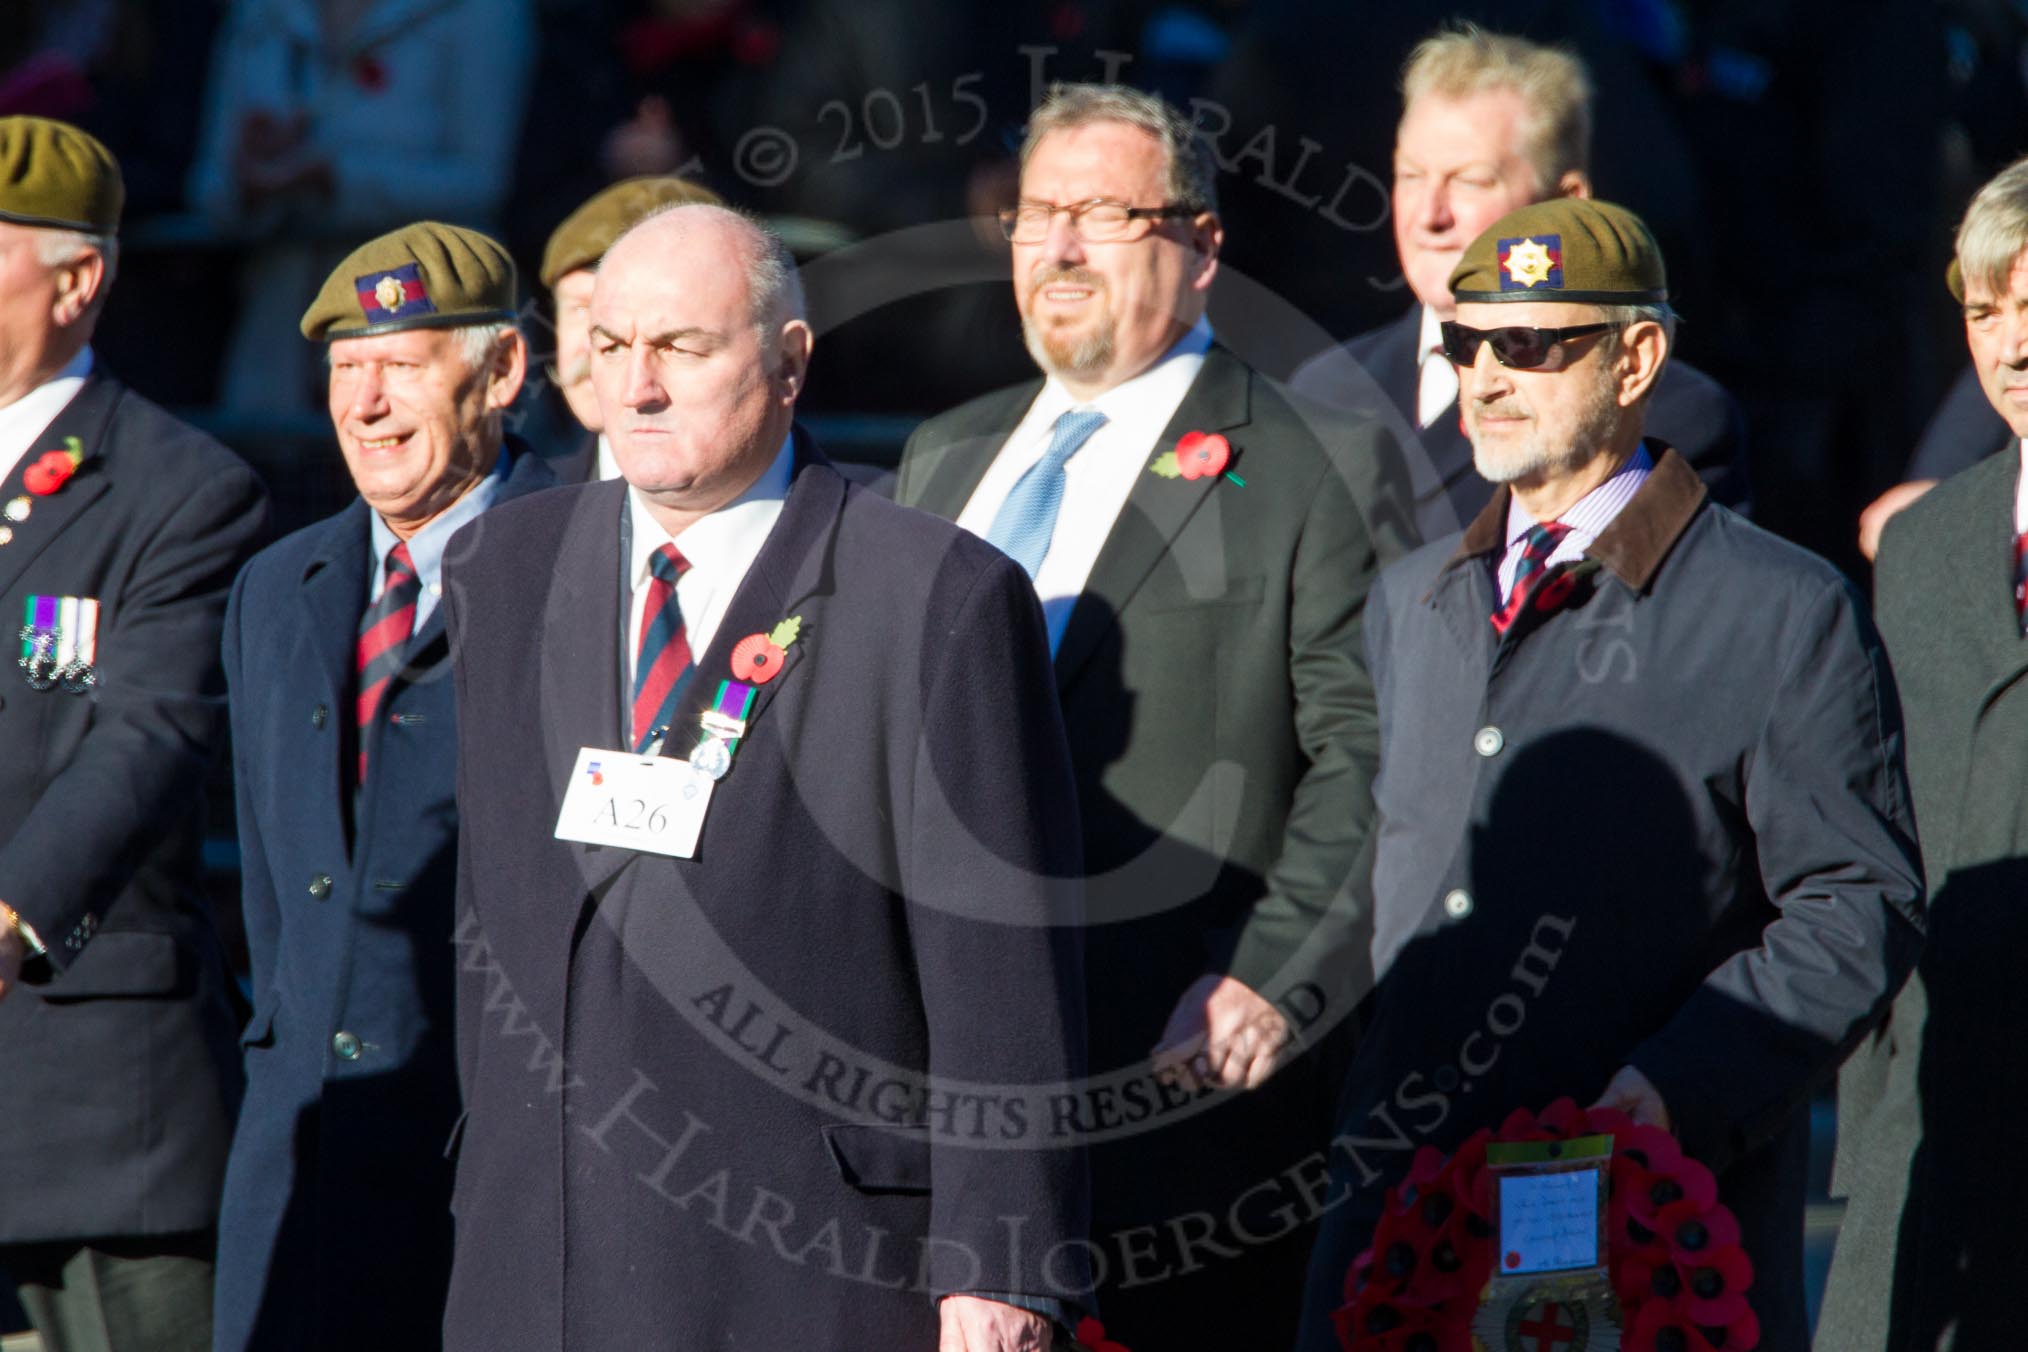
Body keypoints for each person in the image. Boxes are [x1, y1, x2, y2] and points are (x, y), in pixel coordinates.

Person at [437, 203, 1088, 1351]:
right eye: (611, 346)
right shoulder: (509, 565)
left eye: (683, 348)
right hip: (536, 1262)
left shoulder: (932, 595)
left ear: (790, 362)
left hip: (806, 1273)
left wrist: (1002, 1264)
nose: (637, 386)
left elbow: (999, 974)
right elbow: (491, 917)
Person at [1292, 197, 1924, 1352]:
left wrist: (1677, 1085)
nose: (1486, 374)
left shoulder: (1782, 607)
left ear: (1637, 357)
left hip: (1645, 1229)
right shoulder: (1412, 596)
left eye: (1530, 343)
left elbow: (1856, 900)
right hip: (1395, 1227)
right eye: (1465, 343)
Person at [895, 82, 1415, 1349]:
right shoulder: (939, 457)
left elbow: (1374, 750)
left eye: (1102, 216)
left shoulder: (1316, 459)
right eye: (1035, 214)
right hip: (936, 1093)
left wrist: (1273, 975)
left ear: (1201, 246)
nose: (1060, 248)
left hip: (1182, 1087)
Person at [211, 222, 555, 1351]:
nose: (364, 403)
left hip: (509, 1171)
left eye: (400, 365)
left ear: (501, 371)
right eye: (344, 372)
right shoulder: (278, 585)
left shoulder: (587, 563)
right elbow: (273, 885)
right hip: (303, 1160)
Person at [0, 115, 268, 1350]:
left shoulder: (178, 488)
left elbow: (146, 734)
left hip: (87, 1108)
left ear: (78, 280)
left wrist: (8, 907)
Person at [1818, 156, 2028, 1351]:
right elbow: (1884, 831)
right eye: (1985, 310)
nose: (2011, 347)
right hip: (1934, 1120)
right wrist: (1869, 1121)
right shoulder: (1929, 543)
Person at [1287, 26, 1750, 541]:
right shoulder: (1323, 391)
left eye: (1470, 180)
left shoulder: (1659, 418)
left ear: (1566, 201)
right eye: (1411, 176)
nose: (1429, 215)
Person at [536, 174, 723, 483]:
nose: (595, 343)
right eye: (579, 308)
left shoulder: (820, 509)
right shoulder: (523, 514)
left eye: (623, 310)